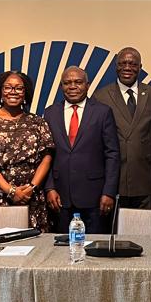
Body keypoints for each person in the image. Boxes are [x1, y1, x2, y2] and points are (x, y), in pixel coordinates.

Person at [0, 70, 54, 232]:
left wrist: (31, 188)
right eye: (8, 87)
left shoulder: (38, 122)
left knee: (34, 245)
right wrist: (11, 191)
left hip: (31, 196)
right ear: (1, 91)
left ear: (25, 93)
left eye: (19, 88)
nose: (13, 92)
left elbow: (46, 158)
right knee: (0, 245)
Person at [44, 67, 121, 233]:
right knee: (61, 246)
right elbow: (46, 155)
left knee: (94, 245)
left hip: (95, 197)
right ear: (61, 86)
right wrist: (49, 188)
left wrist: (109, 192)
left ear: (87, 85)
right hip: (60, 197)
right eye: (67, 83)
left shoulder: (102, 112)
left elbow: (112, 154)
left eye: (78, 82)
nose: (72, 86)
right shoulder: (50, 113)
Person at [92, 47, 151, 209]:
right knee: (114, 224)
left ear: (140, 67)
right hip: (114, 179)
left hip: (144, 177)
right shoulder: (101, 96)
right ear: (116, 66)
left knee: (143, 224)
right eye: (123, 63)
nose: (127, 67)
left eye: (132, 64)